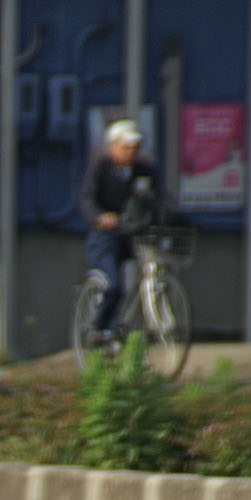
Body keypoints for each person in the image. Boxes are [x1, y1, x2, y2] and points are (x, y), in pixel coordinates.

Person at [78, 118, 160, 340]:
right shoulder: (101, 168)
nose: (131, 152)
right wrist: (100, 217)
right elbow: (87, 199)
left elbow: (159, 198)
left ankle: (132, 324)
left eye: (135, 147)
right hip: (105, 236)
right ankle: (99, 328)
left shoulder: (144, 171)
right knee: (113, 285)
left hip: (134, 234)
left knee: (154, 269)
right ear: (112, 146)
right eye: (126, 147)